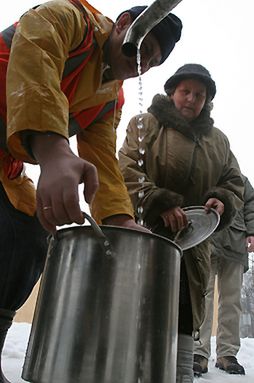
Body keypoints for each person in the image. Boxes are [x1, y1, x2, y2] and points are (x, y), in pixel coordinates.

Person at [0, 1, 183, 381]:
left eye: (151, 63)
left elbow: (102, 160)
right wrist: (52, 149)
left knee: (28, 236)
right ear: (125, 24)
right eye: (144, 51)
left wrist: (120, 219)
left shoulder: (109, 98)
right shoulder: (68, 20)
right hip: (25, 147)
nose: (142, 66)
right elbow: (35, 60)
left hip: (7, 166)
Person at [118, 63, 244, 382]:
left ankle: (182, 375)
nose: (191, 99)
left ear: (207, 100)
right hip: (147, 236)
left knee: (185, 313)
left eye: (199, 94)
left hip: (195, 245)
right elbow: (127, 170)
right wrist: (158, 200)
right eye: (185, 91)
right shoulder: (145, 124)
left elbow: (233, 182)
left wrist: (222, 200)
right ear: (172, 92)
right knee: (143, 310)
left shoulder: (219, 141)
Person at [193, 174, 254, 377]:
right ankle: (199, 352)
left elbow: (251, 203)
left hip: (236, 242)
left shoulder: (240, 180)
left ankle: (227, 354)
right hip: (205, 240)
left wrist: (252, 231)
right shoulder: (205, 171)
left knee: (231, 299)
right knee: (203, 296)